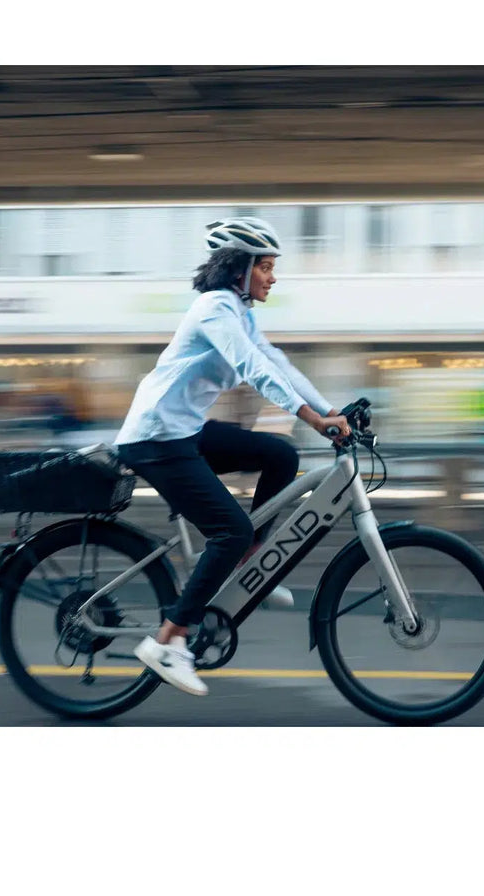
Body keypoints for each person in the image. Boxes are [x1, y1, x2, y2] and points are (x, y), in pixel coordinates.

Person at [115, 216, 351, 697]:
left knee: (280, 456)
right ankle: (169, 641)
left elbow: (276, 363)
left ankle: (248, 564)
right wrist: (311, 417)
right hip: (156, 439)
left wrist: (331, 410)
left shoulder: (239, 313)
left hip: (185, 431)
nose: (273, 276)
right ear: (238, 268)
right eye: (265, 266)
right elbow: (252, 369)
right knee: (230, 528)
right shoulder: (214, 309)